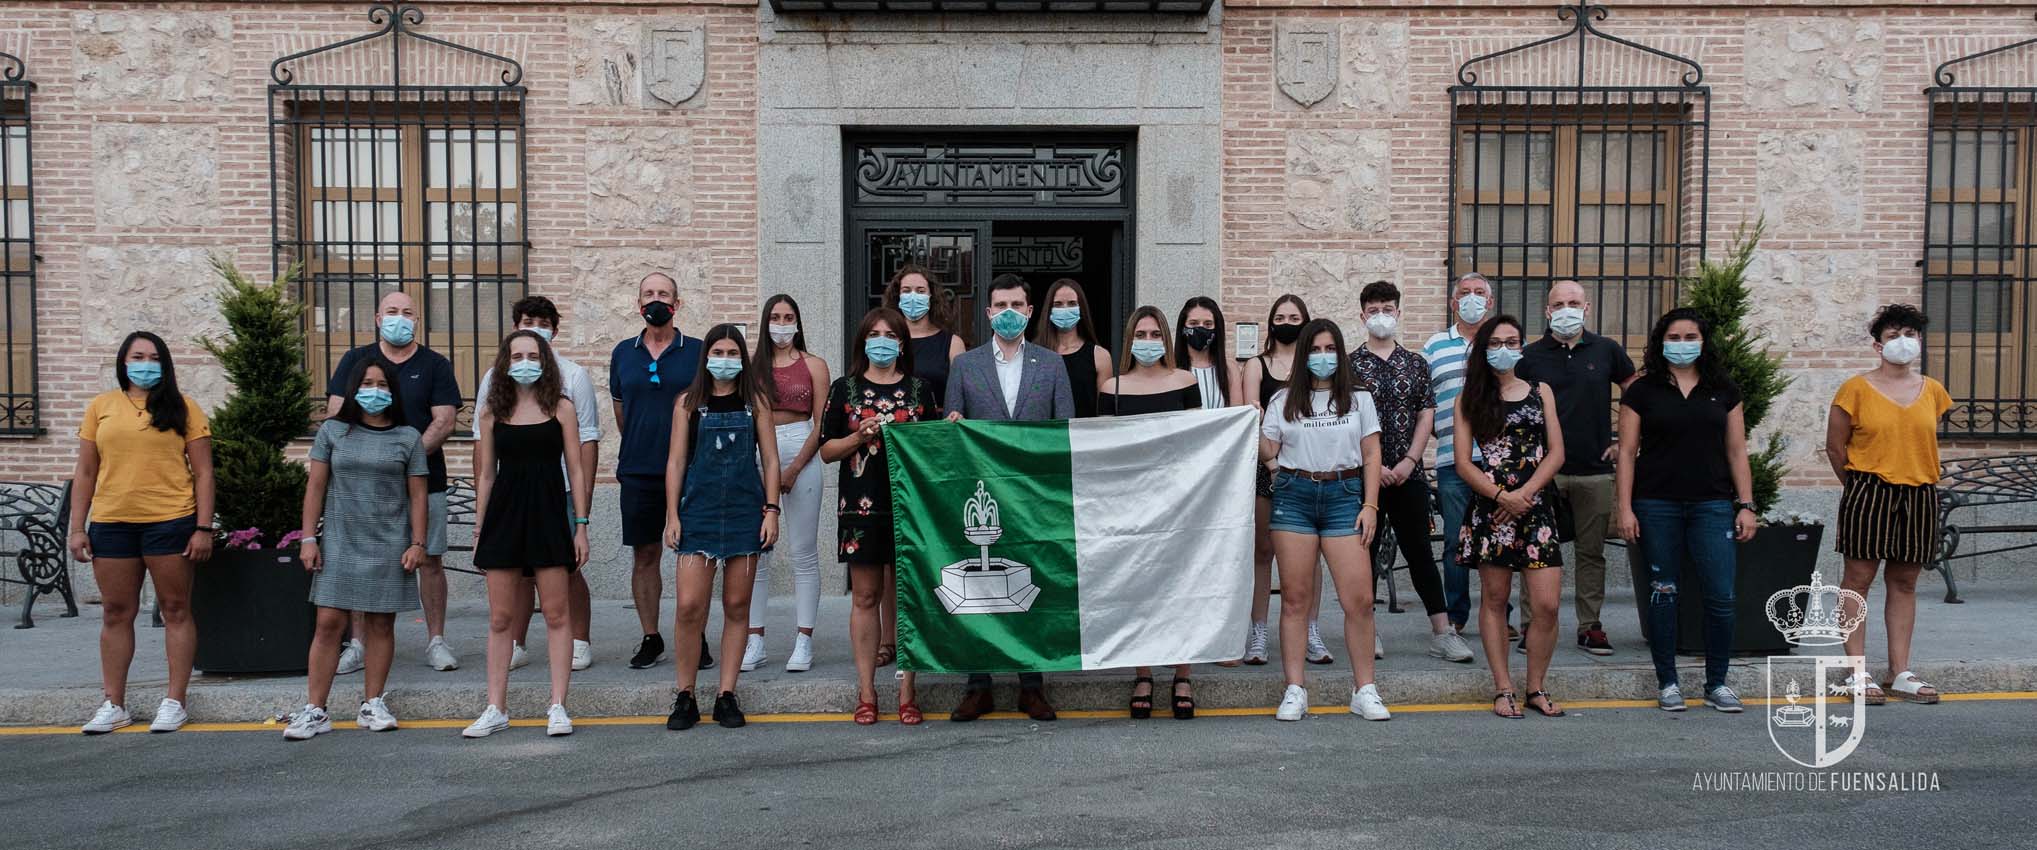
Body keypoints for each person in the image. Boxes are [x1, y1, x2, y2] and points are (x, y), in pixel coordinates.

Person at [941, 273, 1075, 722]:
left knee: (1030, 585)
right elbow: (951, 427)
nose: (1009, 313)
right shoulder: (966, 365)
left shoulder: (1051, 365)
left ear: (1031, 310)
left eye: (1017, 304)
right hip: (983, 496)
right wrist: (955, 421)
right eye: (1000, 305)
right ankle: (977, 684)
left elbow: (1065, 431)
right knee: (980, 590)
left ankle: (1031, 684)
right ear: (988, 312)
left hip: (1034, 496)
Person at [71, 332, 215, 735]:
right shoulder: (101, 407)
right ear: (123, 362)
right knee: (116, 612)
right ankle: (113, 703)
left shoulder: (184, 408)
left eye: (153, 357)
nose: (145, 363)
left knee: (175, 609)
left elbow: (204, 472)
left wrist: (204, 527)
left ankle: (174, 701)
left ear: (165, 364)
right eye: (137, 356)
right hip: (112, 523)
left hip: (171, 521)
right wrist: (77, 528)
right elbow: (85, 472)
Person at [1614, 308, 1757, 714]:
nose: (1682, 344)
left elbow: (1736, 451)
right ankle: (1668, 682)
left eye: (1690, 336)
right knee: (1663, 592)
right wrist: (1624, 508)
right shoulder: (1642, 390)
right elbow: (1626, 452)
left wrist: (1745, 505)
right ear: (1661, 342)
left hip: (1712, 504)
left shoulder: (1724, 389)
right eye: (1673, 337)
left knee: (1721, 595)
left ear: (1704, 341)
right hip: (1655, 504)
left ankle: (1717, 682)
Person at [287, 357, 429, 740]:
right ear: (353, 388)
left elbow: (418, 495)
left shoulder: (408, 437)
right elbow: (315, 487)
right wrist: (307, 538)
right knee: (329, 623)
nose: (376, 391)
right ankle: (315, 709)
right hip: (340, 541)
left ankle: (373, 703)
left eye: (383, 384)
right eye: (367, 383)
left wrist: (418, 543)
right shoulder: (333, 431)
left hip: (391, 543)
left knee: (382, 623)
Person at [1259, 319, 1390, 722]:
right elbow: (1268, 448)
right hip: (1294, 497)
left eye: (1330, 348)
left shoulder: (1359, 399)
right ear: (1303, 356)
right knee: (1296, 599)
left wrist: (1370, 506)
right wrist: (1251, 424)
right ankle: (1295, 688)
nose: (1322, 357)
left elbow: (1371, 455)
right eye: (1314, 350)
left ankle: (1364, 688)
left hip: (1345, 497)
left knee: (1360, 600)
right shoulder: (1283, 400)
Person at [464, 331, 591, 739]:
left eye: (532, 355)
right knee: (501, 618)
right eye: (516, 355)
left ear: (545, 360)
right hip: (504, 517)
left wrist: (582, 526)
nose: (524, 362)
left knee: (557, 614)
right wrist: (479, 528)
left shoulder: (562, 408)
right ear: (505, 362)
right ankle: (496, 707)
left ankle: (557, 706)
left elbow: (575, 469)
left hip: (551, 515)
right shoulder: (490, 412)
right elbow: (485, 476)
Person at [1825, 304, 1953, 706]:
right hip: (1869, 488)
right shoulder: (1855, 389)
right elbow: (1835, 446)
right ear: (1877, 345)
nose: (1904, 340)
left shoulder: (1933, 391)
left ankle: (1900, 671)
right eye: (1894, 333)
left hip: (1920, 492)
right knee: (1858, 579)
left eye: (1911, 333)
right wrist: (1860, 486)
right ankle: (1855, 670)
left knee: (1905, 581)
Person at [323, 291, 458, 672]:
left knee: (430, 559)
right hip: (364, 487)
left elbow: (444, 420)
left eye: (408, 313)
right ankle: (358, 645)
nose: (401, 318)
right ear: (378, 318)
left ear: (418, 320)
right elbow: (336, 415)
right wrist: (374, 459)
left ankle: (436, 640)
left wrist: (404, 461)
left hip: (425, 481)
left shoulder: (435, 364)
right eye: (393, 312)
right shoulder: (355, 360)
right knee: (363, 560)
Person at [472, 297, 601, 674]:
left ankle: (579, 640)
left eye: (542, 322)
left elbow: (587, 440)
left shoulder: (572, 377)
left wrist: (584, 511)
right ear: (514, 326)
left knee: (565, 571)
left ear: (553, 332)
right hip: (511, 493)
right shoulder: (494, 379)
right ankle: (516, 641)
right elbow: (484, 447)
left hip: (556, 489)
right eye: (527, 320)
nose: (534, 327)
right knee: (514, 573)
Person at [662, 324, 781, 731]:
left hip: (747, 513)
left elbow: (771, 460)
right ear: (706, 356)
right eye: (718, 351)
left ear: (743, 359)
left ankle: (726, 694)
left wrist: (771, 510)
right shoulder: (687, 403)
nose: (725, 359)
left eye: (733, 352)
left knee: (736, 607)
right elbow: (676, 462)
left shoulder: (756, 402)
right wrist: (672, 515)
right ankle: (685, 694)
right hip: (697, 513)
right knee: (689, 607)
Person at [1350, 282, 1473, 664]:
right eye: (1374, 310)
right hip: (1365, 475)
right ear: (1362, 316)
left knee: (1419, 551)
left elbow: (1426, 413)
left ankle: (1442, 631)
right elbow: (1346, 419)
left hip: (1409, 474)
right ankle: (1367, 631)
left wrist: (1408, 461)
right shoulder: (1351, 364)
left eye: (1388, 308)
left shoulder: (1416, 363)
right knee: (1363, 554)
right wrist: (1374, 465)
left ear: (1399, 313)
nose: (1381, 315)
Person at [821, 307, 933, 725]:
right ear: (863, 340)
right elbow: (826, 449)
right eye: (874, 333)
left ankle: (908, 691)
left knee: (907, 600)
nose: (882, 340)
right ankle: (866, 691)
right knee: (865, 597)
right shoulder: (843, 389)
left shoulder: (921, 390)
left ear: (902, 342)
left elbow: (934, 447)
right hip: (860, 507)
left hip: (910, 510)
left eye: (890, 334)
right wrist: (856, 436)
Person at [1455, 315, 1566, 719]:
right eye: (1497, 341)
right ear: (1484, 349)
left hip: (1535, 506)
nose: (1505, 348)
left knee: (1547, 604)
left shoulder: (1541, 392)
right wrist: (1503, 496)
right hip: (1493, 509)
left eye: (1513, 340)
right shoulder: (1470, 396)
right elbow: (1464, 463)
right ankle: (1503, 688)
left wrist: (1525, 494)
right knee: (1495, 600)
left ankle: (1536, 685)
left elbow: (1556, 451)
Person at [1518, 280, 1636, 656]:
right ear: (1547, 311)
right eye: (1558, 303)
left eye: (1573, 302)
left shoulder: (1607, 351)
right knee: (1534, 553)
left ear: (1587, 308)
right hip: (1541, 474)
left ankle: (1590, 626)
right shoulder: (1530, 357)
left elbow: (1635, 391)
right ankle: (1530, 626)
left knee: (1591, 553)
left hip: (1593, 470)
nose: (1566, 309)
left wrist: (1625, 442)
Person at [1099, 306, 1204, 719]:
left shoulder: (1186, 381)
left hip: (1180, 501)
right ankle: (1143, 672)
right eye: (1140, 334)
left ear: (1166, 339)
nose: (1147, 341)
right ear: (1130, 341)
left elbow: (1201, 440)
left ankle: (1182, 673)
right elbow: (1104, 449)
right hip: (1131, 504)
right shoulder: (1113, 387)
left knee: (1181, 585)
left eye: (1154, 334)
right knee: (1139, 586)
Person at [610, 272, 710, 672]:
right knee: (645, 555)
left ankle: (695, 633)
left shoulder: (698, 351)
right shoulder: (622, 352)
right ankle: (651, 636)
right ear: (638, 304)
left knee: (694, 557)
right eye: (648, 293)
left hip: (693, 472)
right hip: (638, 470)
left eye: (663, 294)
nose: (656, 300)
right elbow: (621, 412)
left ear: (677, 303)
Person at [1235, 294, 1335, 668]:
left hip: (1311, 469)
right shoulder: (1257, 366)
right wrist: (1273, 463)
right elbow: (1252, 419)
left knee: (1311, 558)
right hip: (1268, 471)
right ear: (1270, 322)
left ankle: (1310, 629)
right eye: (1280, 316)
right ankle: (1258, 632)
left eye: (1294, 316)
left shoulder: (1315, 366)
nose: (1287, 322)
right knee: (1263, 552)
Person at [878, 264, 966, 667]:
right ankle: (888, 638)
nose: (913, 296)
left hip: (937, 461)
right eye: (906, 289)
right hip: (892, 458)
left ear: (933, 296)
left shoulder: (952, 343)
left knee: (935, 547)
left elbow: (959, 402)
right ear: (896, 295)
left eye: (921, 289)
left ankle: (935, 628)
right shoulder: (884, 340)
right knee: (891, 554)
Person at [744, 295, 829, 674]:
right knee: (758, 551)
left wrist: (793, 469)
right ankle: (755, 639)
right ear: (766, 322)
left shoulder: (814, 365)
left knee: (803, 551)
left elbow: (821, 423)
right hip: (759, 451)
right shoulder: (752, 367)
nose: (781, 323)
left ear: (798, 321)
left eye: (788, 316)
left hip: (802, 447)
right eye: (775, 317)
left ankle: (804, 639)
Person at [1425, 272, 1496, 638]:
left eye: (1479, 293)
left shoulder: (1503, 343)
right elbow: (1424, 400)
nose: (1471, 298)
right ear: (1453, 303)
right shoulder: (1435, 346)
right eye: (1464, 293)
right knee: (1456, 538)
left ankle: (1498, 613)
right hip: (1453, 460)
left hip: (1499, 461)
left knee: (1497, 539)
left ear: (1490, 302)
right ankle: (1457, 614)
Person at [1034, 277, 1113, 418]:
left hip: (1084, 438)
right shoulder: (1033, 354)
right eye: (1058, 304)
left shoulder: (1100, 356)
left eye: (1072, 303)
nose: (1065, 309)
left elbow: (1104, 415)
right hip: (1044, 438)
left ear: (1081, 308)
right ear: (1049, 310)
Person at [1176, 297, 1242, 414]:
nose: (1200, 328)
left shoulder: (1229, 368)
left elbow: (1237, 416)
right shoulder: (1170, 366)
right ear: (1183, 327)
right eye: (1193, 323)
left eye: (1208, 324)